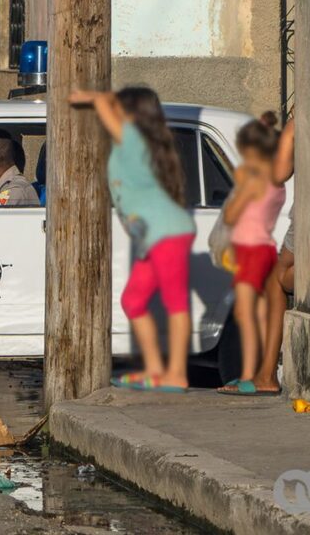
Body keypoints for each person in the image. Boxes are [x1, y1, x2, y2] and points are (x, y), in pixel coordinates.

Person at [69, 87, 196, 392]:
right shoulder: (135, 143)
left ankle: (176, 373)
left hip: (167, 232)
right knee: (134, 300)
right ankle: (154, 369)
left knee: (175, 303)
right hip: (151, 237)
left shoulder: (133, 139)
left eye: (121, 107)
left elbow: (102, 104)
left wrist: (87, 96)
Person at [217, 118, 286, 395]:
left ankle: (247, 375)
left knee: (245, 314)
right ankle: (259, 372)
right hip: (266, 248)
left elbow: (232, 214)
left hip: (250, 250)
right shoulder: (276, 183)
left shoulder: (254, 181)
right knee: (259, 315)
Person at [250, 112, 295, 394]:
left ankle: (267, 375)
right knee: (276, 277)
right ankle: (265, 374)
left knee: (277, 279)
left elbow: (279, 173)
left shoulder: (305, 114)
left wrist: (290, 129)